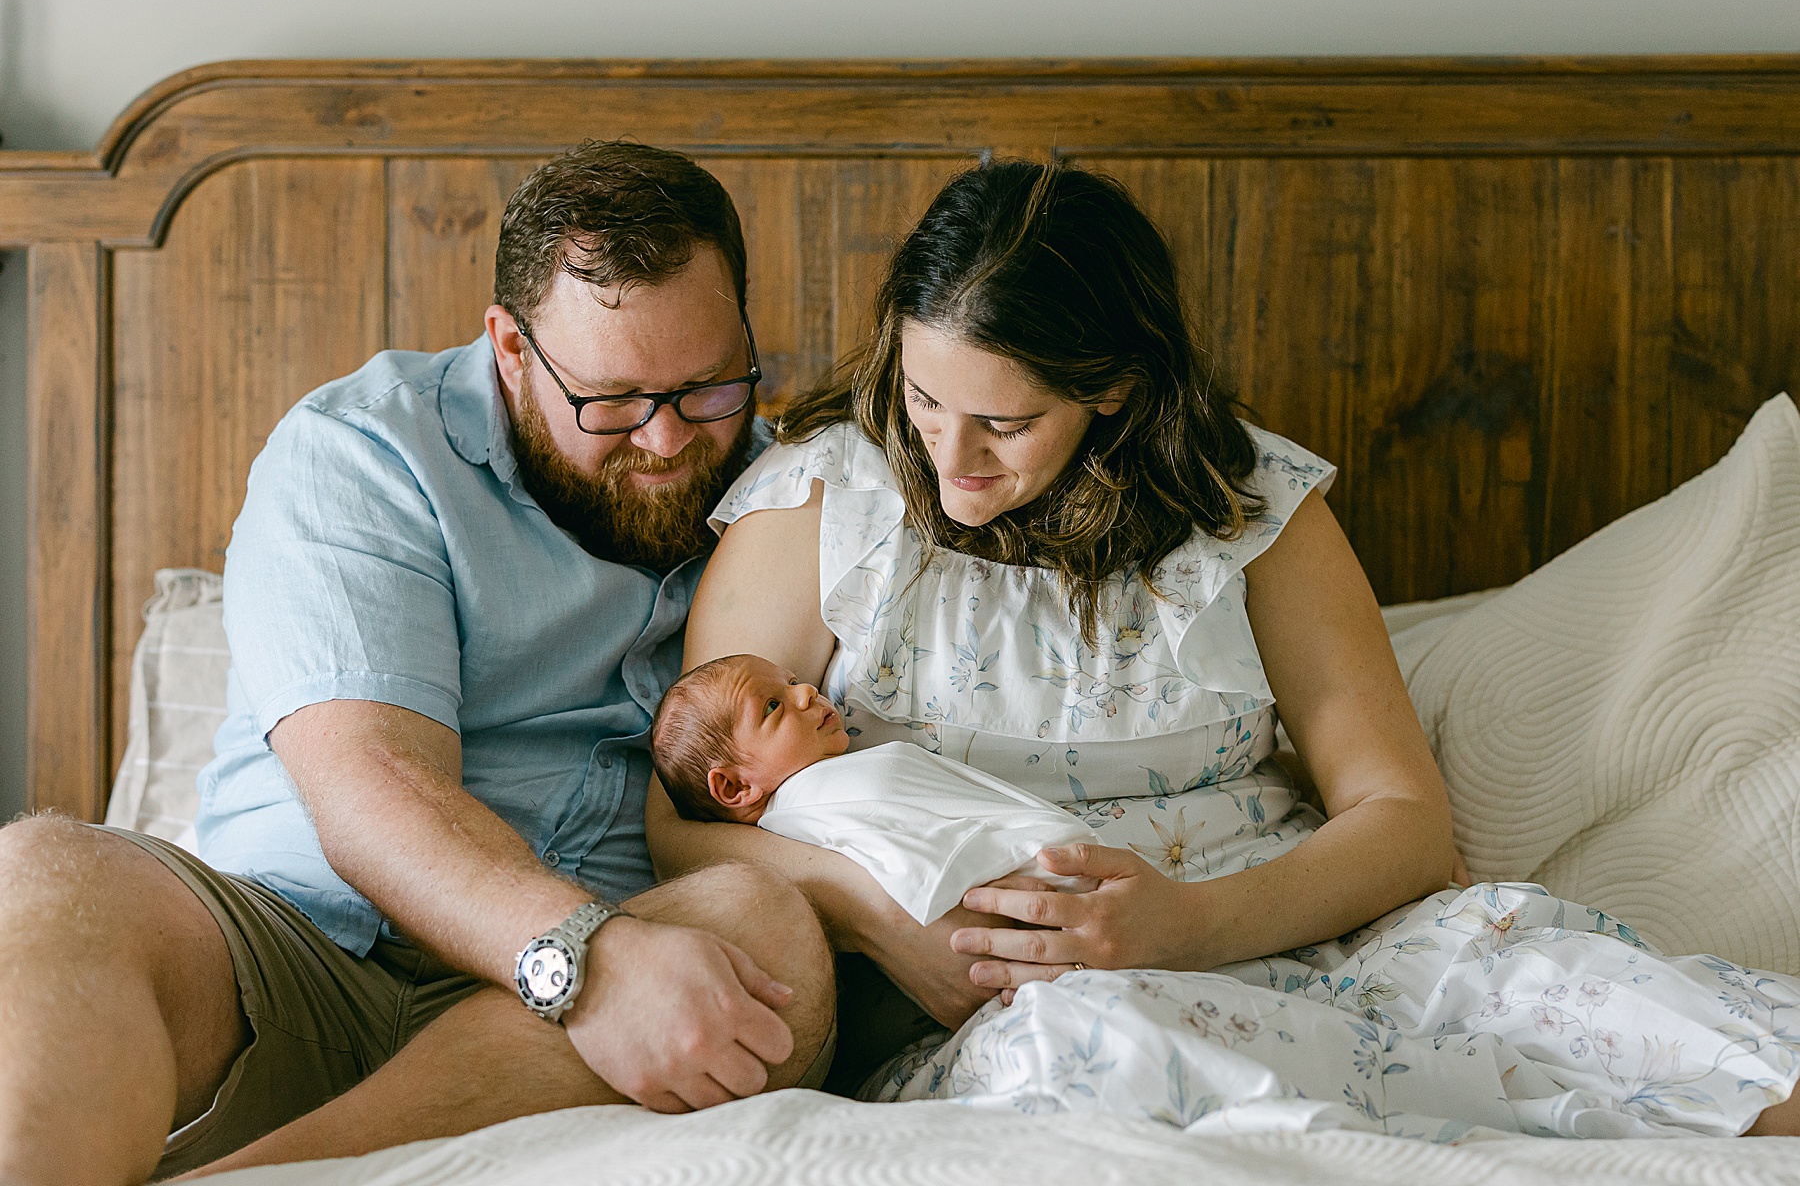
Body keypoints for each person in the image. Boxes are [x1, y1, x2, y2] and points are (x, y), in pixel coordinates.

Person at [652, 160, 1800, 1137]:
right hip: (1023, 995)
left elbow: (1402, 819)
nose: (953, 460)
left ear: (1111, 390)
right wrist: (884, 925)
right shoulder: (817, 504)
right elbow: (684, 826)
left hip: (1276, 918)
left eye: (1005, 424)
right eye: (922, 399)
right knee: (1114, 1055)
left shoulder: (1248, 507)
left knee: (1592, 996)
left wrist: (1191, 924)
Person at [0, 141, 834, 1186]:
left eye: (708, 387)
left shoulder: (794, 503)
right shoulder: (363, 453)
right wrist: (590, 960)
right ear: (510, 348)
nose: (667, 440)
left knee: (769, 934)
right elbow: (372, 793)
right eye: (613, 401)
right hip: (298, 956)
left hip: (572, 1039)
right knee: (43, 872)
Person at [651, 653, 1097, 924]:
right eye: (772, 706)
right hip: (1051, 890)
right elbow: (928, 876)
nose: (806, 691)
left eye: (791, 682)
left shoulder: (810, 808)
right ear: (732, 786)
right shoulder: (824, 797)